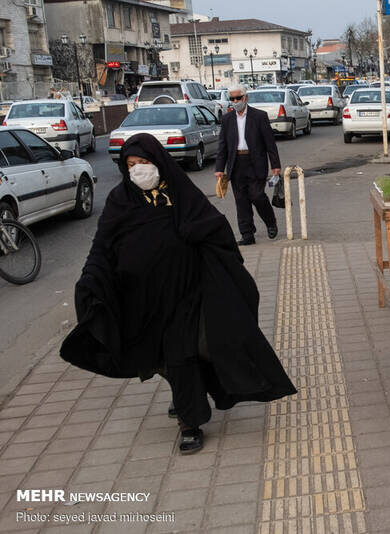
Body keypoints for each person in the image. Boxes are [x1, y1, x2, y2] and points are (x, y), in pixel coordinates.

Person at [60, 133, 296, 454]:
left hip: (188, 291)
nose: (139, 170)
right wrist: (90, 279)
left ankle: (190, 421)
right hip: (142, 298)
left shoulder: (181, 193)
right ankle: (183, 394)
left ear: (158, 161)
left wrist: (192, 233)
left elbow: (216, 228)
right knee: (159, 358)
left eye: (144, 162)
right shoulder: (120, 200)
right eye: (131, 165)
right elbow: (103, 245)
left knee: (181, 352)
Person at [215, 84, 281, 245]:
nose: (235, 101)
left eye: (238, 97)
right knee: (241, 200)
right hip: (236, 164)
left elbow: (270, 144)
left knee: (257, 196)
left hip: (255, 162)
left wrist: (275, 166)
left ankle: (271, 222)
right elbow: (222, 146)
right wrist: (219, 169)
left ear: (246, 97)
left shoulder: (259, 116)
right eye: (232, 99)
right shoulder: (227, 119)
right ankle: (247, 234)